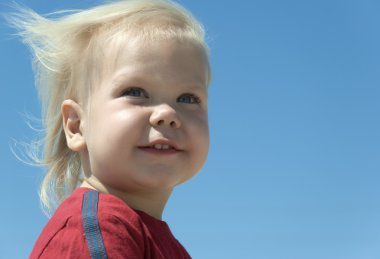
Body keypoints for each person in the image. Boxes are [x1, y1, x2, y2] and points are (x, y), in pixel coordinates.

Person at [8, 0, 211, 258]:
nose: (167, 114)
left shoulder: (159, 241)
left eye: (187, 98)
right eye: (136, 92)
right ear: (77, 126)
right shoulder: (96, 230)